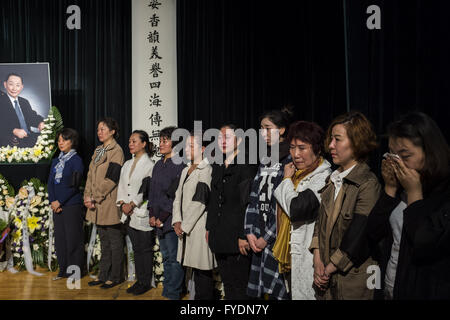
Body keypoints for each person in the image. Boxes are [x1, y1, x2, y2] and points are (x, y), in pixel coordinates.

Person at [367, 112, 450, 300]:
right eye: (392, 155)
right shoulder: (400, 187)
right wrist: (389, 188)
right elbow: (373, 232)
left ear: (430, 151)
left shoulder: (443, 192)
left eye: (404, 155)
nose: (397, 163)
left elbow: (425, 242)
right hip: (389, 288)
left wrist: (414, 194)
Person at [309, 111, 381, 300]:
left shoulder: (367, 184)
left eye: (338, 139)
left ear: (357, 142)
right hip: (326, 279)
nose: (331, 145)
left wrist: (330, 267)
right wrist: (317, 258)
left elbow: (360, 234)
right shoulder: (331, 180)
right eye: (331, 139)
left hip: (352, 281)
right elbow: (320, 222)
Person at [273, 121, 332, 300]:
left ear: (317, 149)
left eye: (302, 148)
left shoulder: (323, 177)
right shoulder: (296, 174)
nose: (295, 154)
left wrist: (286, 181)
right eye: (292, 148)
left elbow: (296, 208)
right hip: (291, 258)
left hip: (311, 258)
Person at [243, 108, 293, 300]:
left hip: (276, 237)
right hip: (258, 232)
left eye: (268, 128)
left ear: (281, 130)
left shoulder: (290, 158)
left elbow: (284, 206)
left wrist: (267, 237)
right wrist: (249, 231)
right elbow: (254, 196)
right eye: (261, 128)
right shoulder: (265, 159)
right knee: (259, 291)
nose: (263, 132)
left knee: (278, 291)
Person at [207, 124, 258, 300]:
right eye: (220, 138)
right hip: (219, 233)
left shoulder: (246, 165)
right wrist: (209, 228)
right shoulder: (218, 165)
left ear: (240, 140)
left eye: (227, 137)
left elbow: (248, 204)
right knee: (227, 283)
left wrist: (243, 235)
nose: (222, 141)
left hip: (238, 236)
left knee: (240, 284)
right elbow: (213, 200)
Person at [172, 131, 217, 300]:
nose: (187, 148)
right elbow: (177, 197)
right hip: (184, 225)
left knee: (202, 270)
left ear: (203, 149)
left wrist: (184, 225)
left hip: (198, 227)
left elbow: (200, 202)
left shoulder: (206, 170)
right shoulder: (185, 170)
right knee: (193, 268)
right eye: (186, 145)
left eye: (192, 145)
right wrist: (177, 220)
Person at [84, 118, 124, 289]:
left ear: (112, 131)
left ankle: (116, 277)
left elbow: (112, 179)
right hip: (95, 204)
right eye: (98, 129)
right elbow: (90, 175)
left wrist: (96, 196)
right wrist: (87, 195)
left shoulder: (117, 150)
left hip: (108, 202)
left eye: (103, 129)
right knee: (104, 242)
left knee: (114, 242)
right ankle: (103, 275)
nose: (99, 132)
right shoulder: (98, 150)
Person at [147, 127, 186, 300]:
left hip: (171, 219)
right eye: (160, 140)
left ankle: (174, 292)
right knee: (165, 256)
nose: (161, 144)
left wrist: (162, 217)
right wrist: (152, 215)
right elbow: (153, 193)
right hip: (157, 220)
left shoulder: (180, 164)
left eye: (165, 140)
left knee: (173, 258)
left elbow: (175, 195)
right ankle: (169, 289)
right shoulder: (158, 164)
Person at [116, 130, 155, 296]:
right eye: (130, 141)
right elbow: (122, 187)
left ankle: (146, 282)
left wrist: (132, 204)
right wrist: (123, 203)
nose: (130, 144)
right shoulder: (126, 164)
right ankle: (140, 281)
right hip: (128, 214)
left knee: (145, 249)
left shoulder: (150, 165)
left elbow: (146, 189)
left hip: (141, 212)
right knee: (136, 249)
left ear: (144, 144)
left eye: (134, 141)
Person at [47, 128, 85, 280]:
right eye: (59, 140)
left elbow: (74, 186)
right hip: (57, 207)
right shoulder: (56, 161)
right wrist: (53, 201)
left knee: (73, 239)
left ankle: (74, 273)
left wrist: (60, 201)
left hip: (71, 205)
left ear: (72, 142)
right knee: (61, 240)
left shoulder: (76, 160)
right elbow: (50, 183)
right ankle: (63, 270)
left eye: (64, 139)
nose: (60, 143)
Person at [0, 73, 44, 148]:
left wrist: (40, 122)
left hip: (28, 137)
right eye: (11, 84)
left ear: (22, 87)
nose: (14, 88)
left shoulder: (24, 102)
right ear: (5, 84)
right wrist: (13, 130)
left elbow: (32, 117)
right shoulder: (1, 101)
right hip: (10, 140)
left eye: (17, 85)